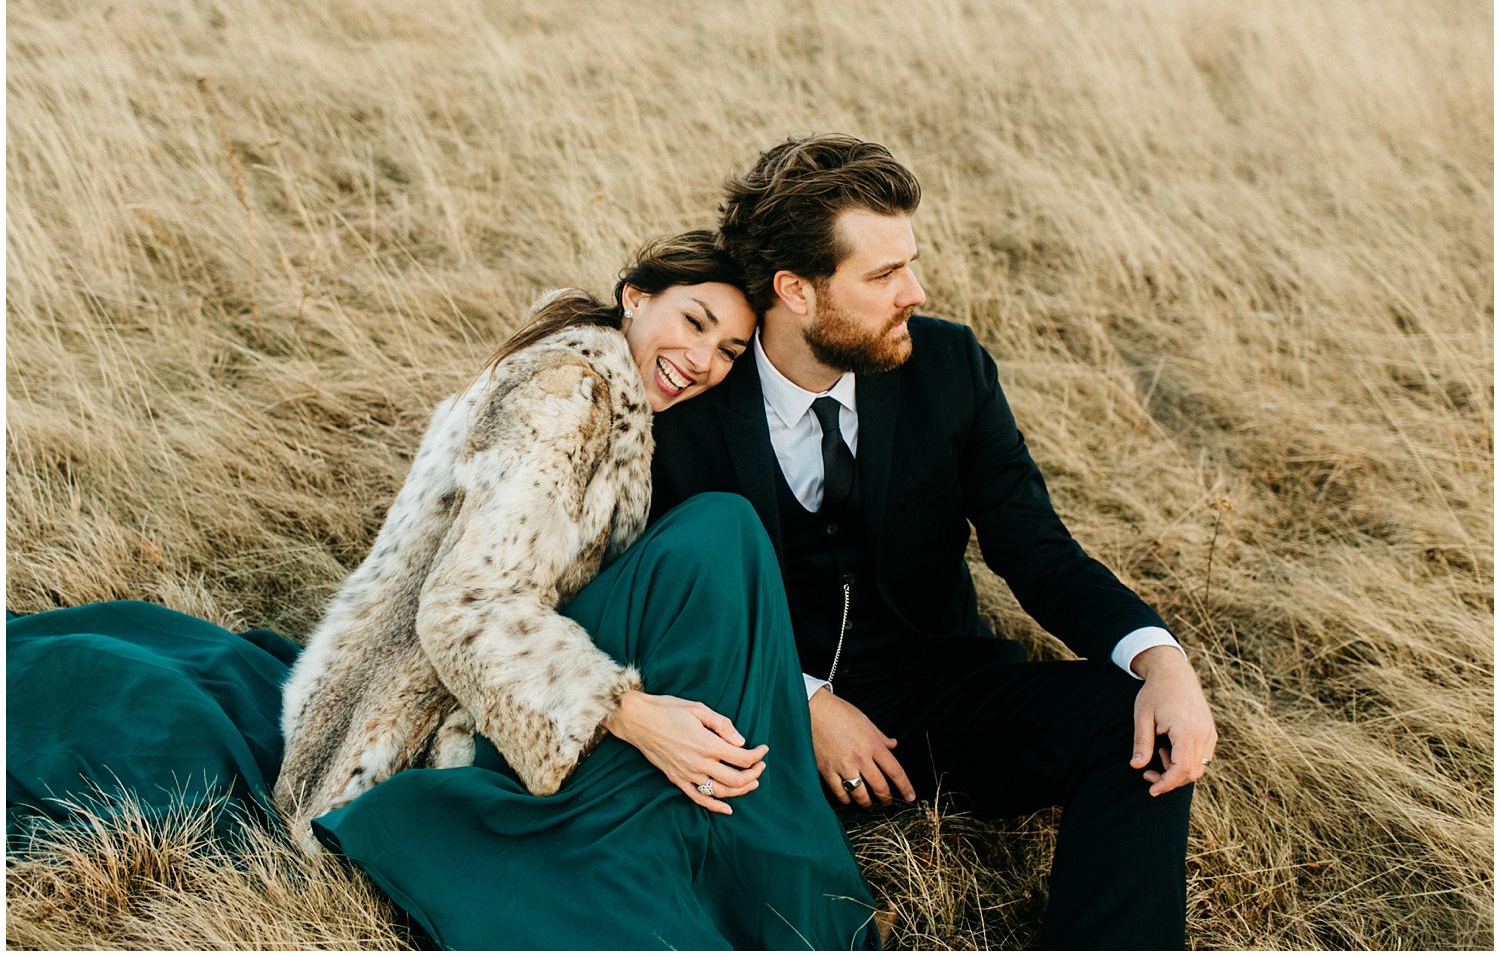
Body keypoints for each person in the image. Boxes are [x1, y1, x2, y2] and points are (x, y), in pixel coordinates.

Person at [7, 231, 881, 950]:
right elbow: (464, 610)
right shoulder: (566, 394)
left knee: (717, 542)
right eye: (692, 322)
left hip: (502, 680)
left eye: (728, 349)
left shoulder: (616, 400)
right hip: (438, 716)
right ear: (633, 297)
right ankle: (702, 830)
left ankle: (718, 814)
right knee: (722, 532)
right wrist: (628, 711)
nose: (701, 360)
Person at [650, 135, 1219, 949]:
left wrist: (1160, 662)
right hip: (758, 726)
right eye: (882, 276)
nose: (913, 292)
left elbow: (1035, 548)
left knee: (1132, 722)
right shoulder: (691, 400)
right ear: (796, 292)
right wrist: (803, 699)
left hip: (943, 695)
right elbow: (663, 607)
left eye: (910, 264)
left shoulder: (950, 365)